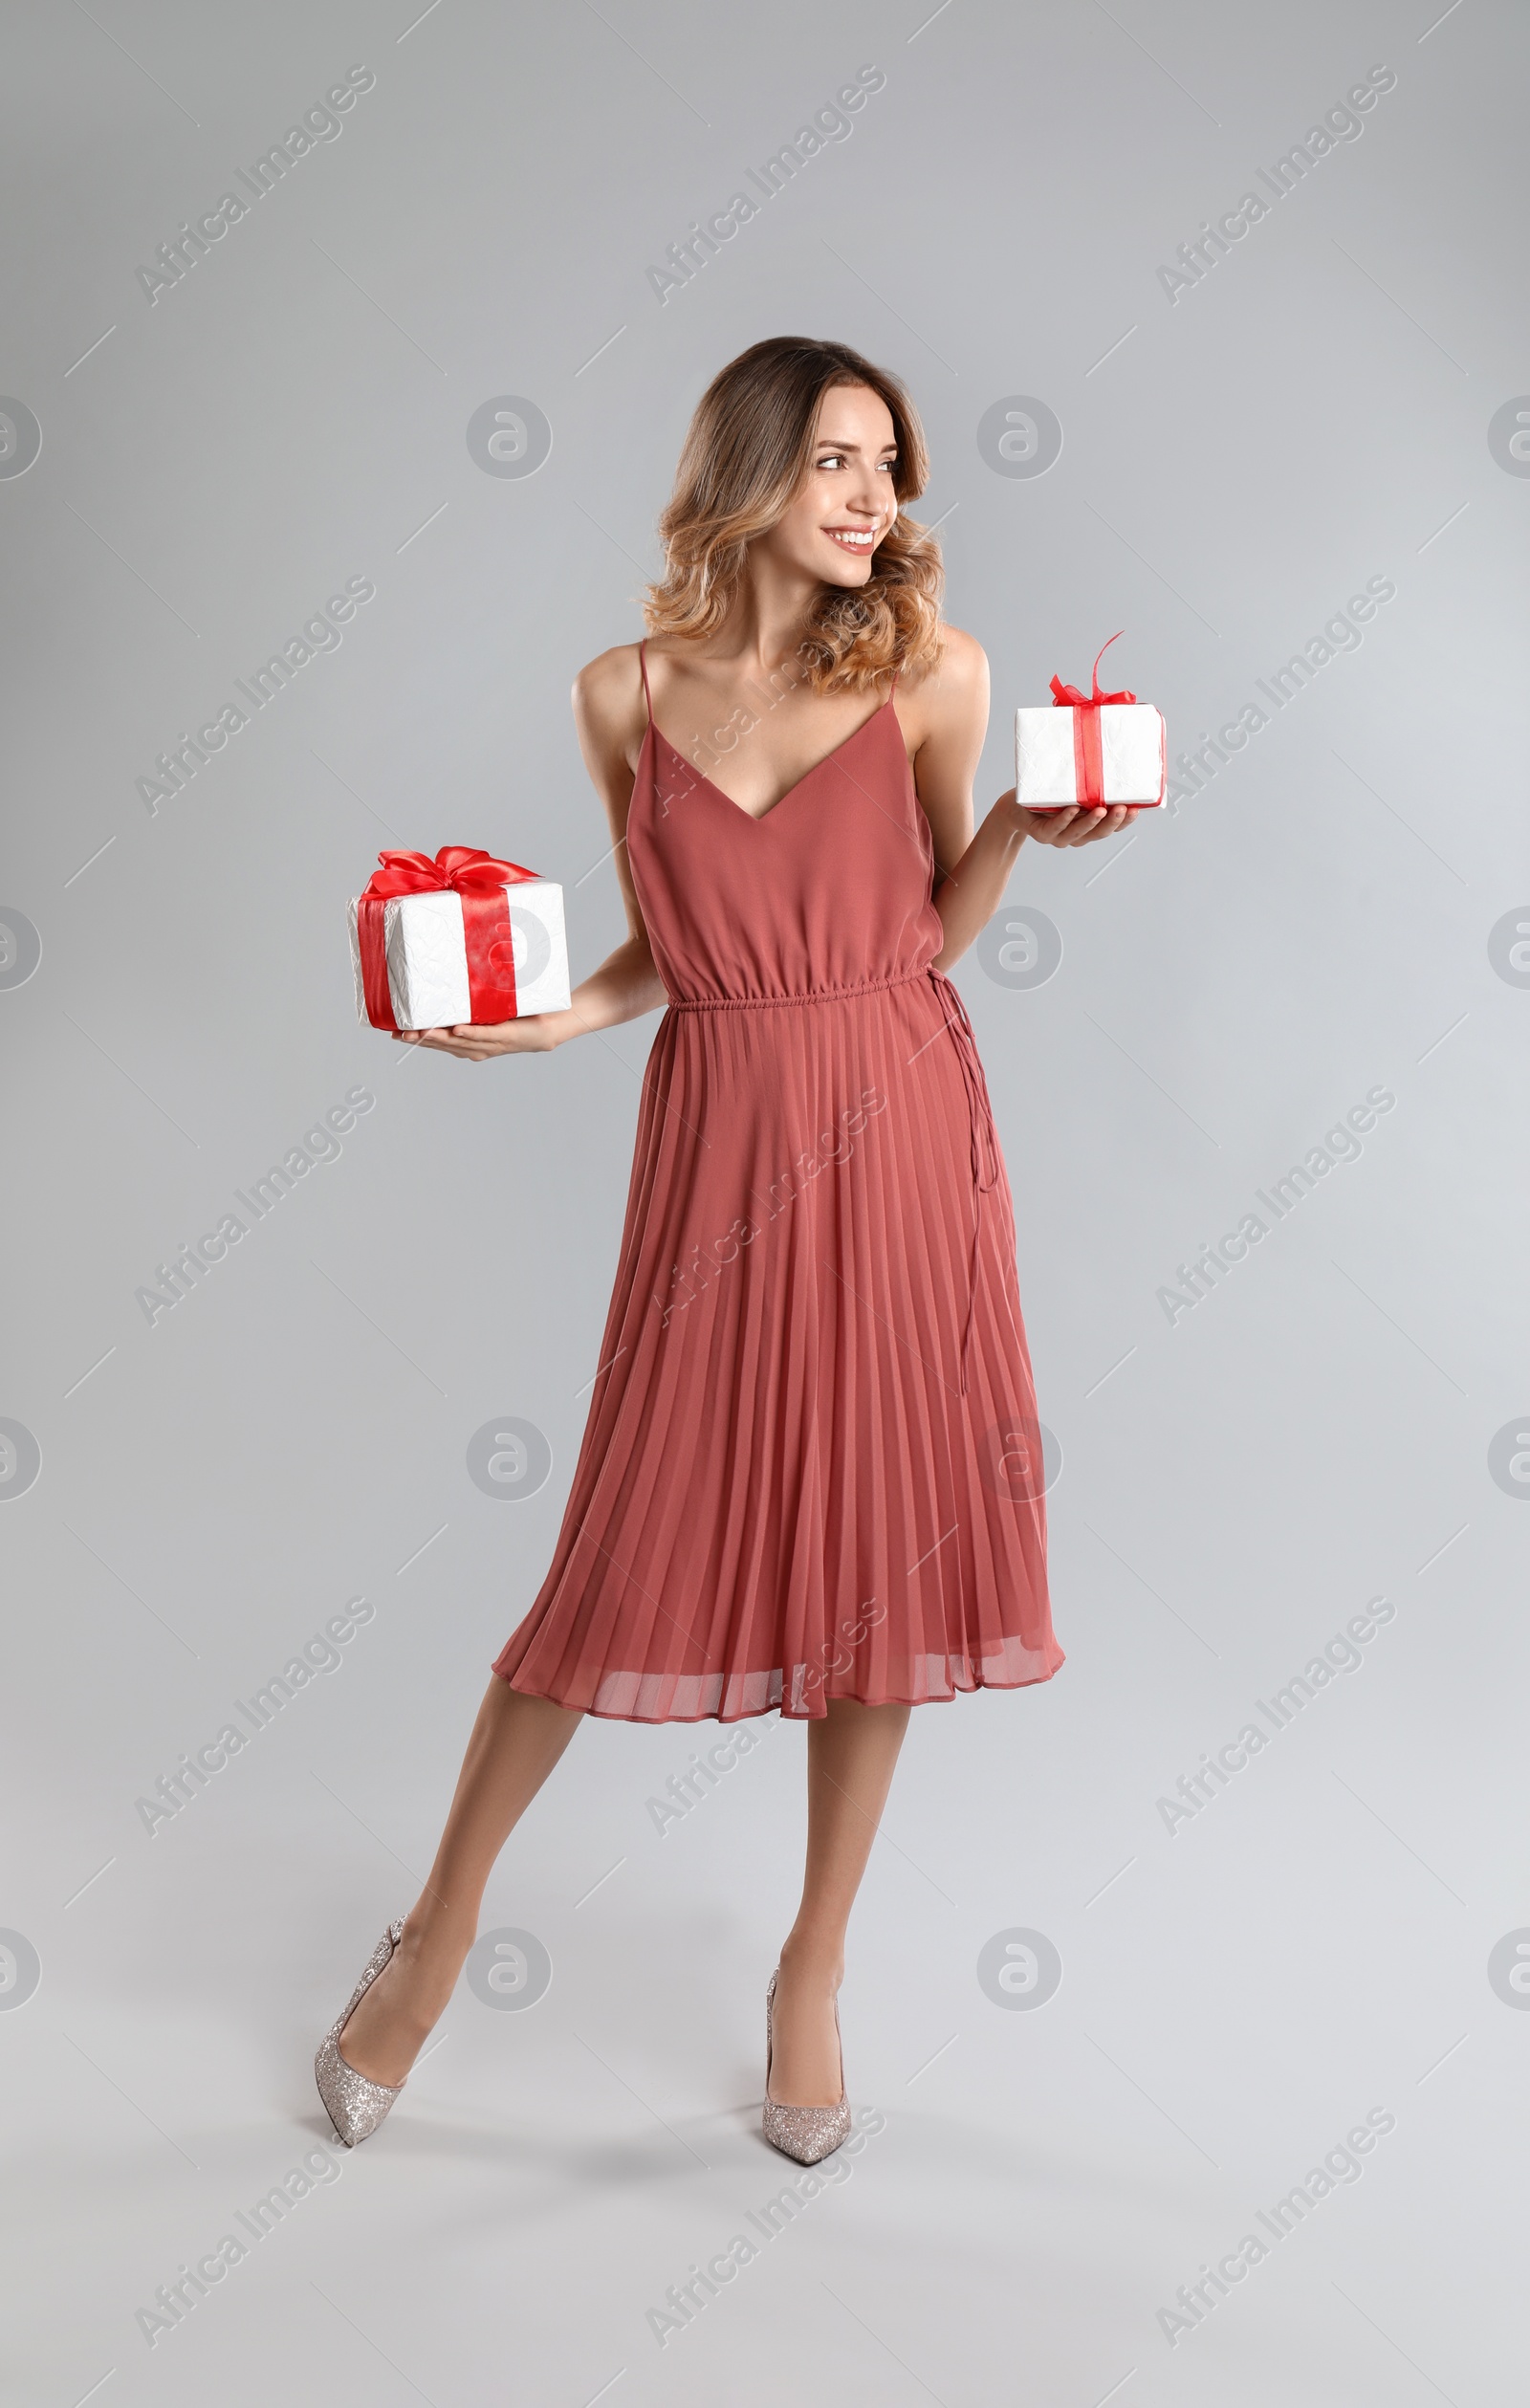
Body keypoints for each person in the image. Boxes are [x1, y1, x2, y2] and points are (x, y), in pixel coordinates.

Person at [316, 335, 1141, 2163]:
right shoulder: (624, 692)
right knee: (618, 1543)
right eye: (842, 460)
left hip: (903, 1130)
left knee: (879, 1564)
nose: (877, 499)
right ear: (754, 469)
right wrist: (537, 1026)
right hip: (719, 1139)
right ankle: (433, 1938)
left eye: (892, 469)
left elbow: (923, 931)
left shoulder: (939, 673)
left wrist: (1018, 818)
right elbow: (667, 949)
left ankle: (812, 1975)